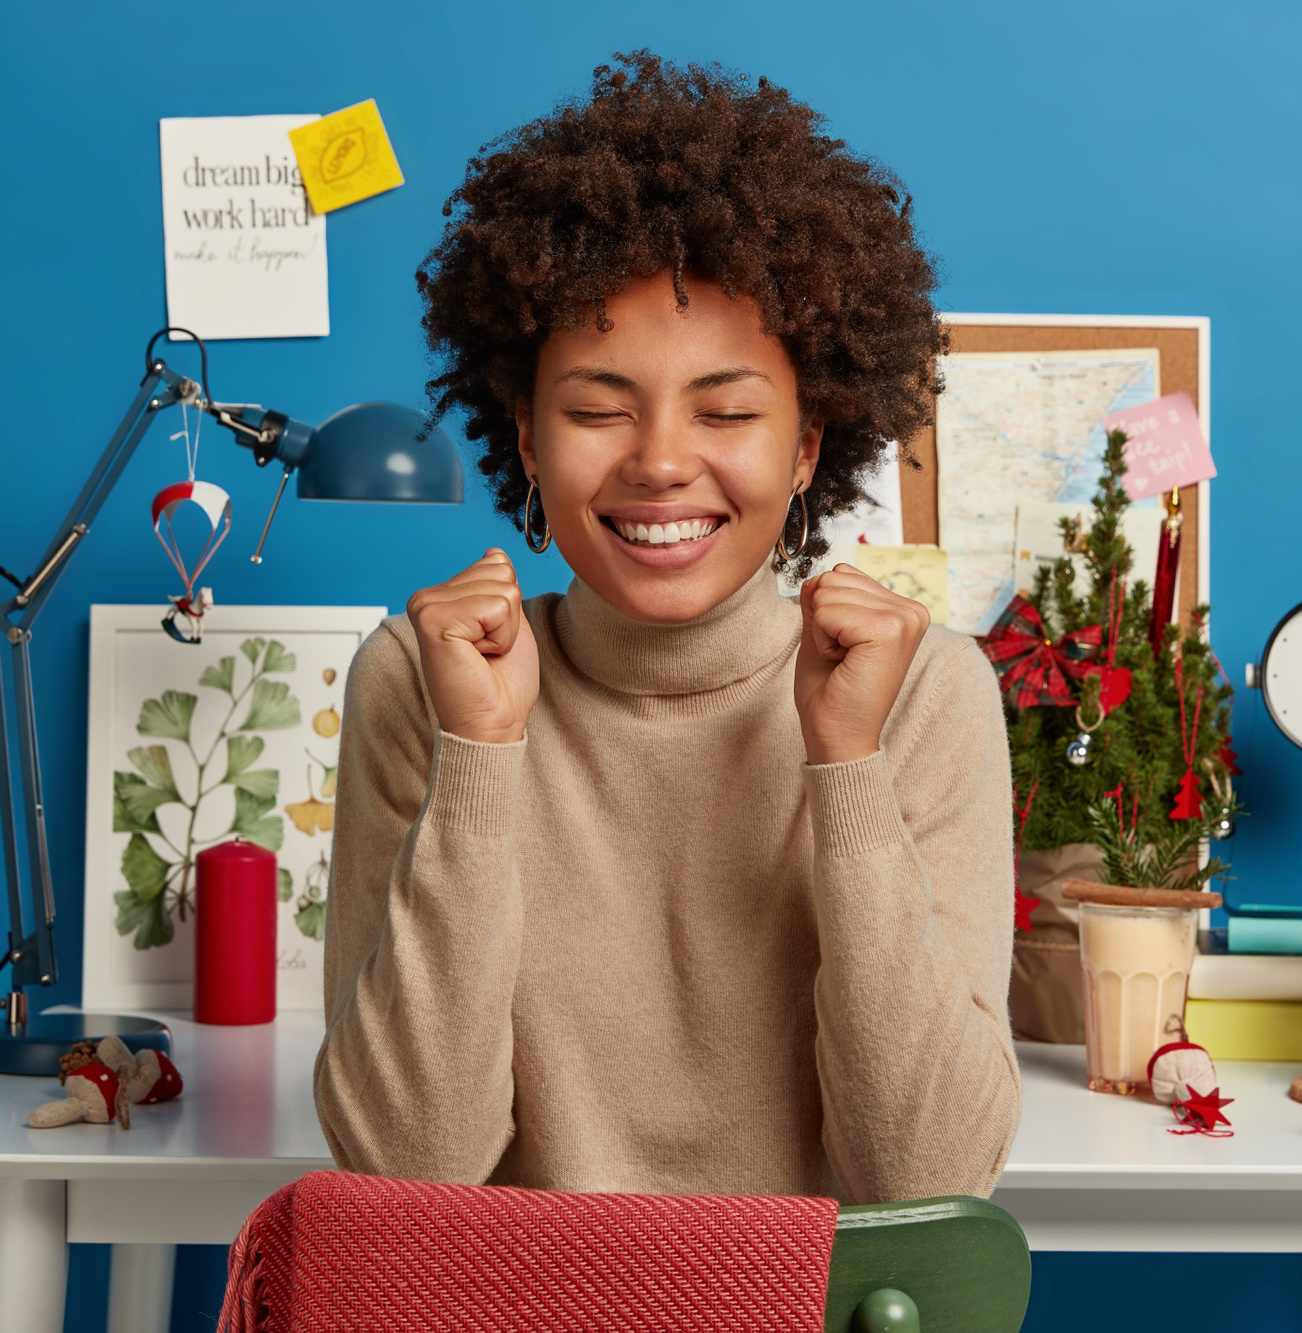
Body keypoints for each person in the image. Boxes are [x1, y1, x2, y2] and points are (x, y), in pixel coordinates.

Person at [314, 52, 1019, 1204]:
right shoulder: (426, 679)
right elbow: (408, 1168)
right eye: (596, 408)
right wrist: (481, 758)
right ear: (529, 440)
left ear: (803, 448)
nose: (657, 462)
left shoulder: (924, 691)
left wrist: (843, 765)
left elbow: (927, 1177)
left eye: (728, 411)